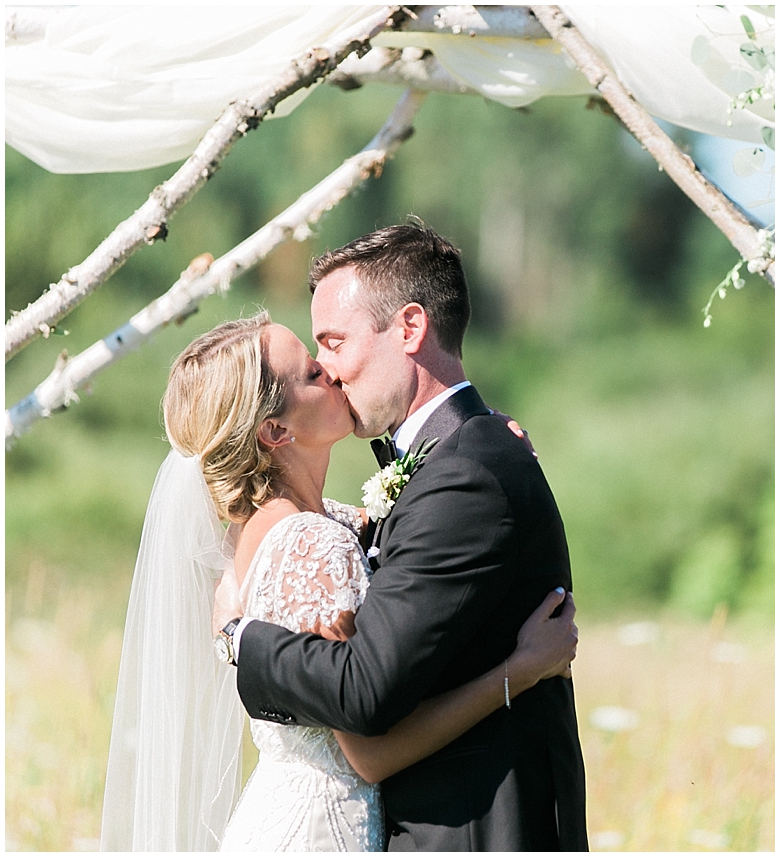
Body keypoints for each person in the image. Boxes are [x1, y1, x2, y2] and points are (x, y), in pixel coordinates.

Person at [101, 313, 578, 851]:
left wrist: (483, 440)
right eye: (309, 373)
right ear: (276, 431)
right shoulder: (312, 546)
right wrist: (519, 671)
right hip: (320, 830)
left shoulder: (296, 523)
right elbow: (369, 755)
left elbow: (418, 517)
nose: (330, 370)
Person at [218, 222, 589, 850]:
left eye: (334, 342)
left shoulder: (465, 475)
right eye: (316, 357)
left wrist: (241, 638)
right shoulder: (450, 460)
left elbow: (364, 691)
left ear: (411, 328)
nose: (328, 370)